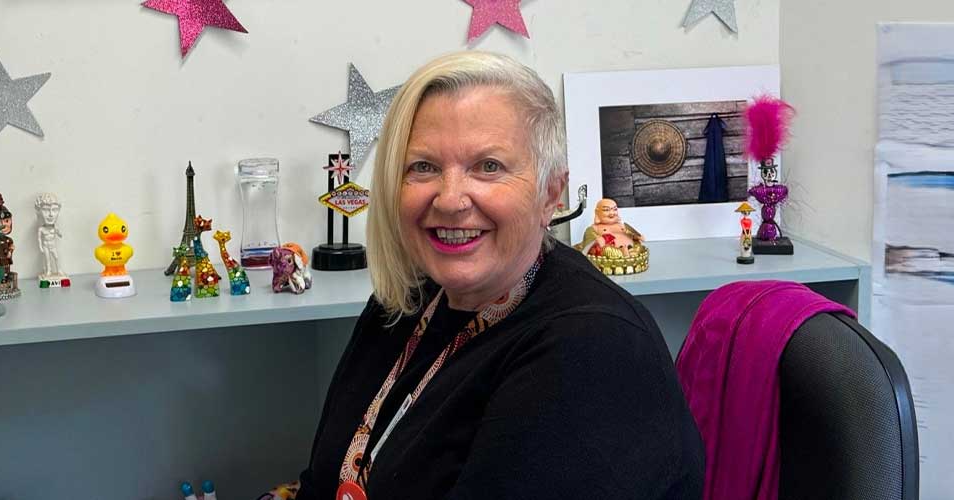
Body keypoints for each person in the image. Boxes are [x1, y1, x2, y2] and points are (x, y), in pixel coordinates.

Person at [289, 51, 704, 499]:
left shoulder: (591, 347)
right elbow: (323, 477)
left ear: (550, 193)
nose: (450, 199)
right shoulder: (406, 299)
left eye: (488, 166)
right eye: (423, 167)